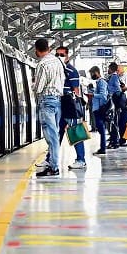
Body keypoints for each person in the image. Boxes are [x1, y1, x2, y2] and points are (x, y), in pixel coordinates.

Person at [32, 38, 64, 178]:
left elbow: (38, 87)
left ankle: (54, 167)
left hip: (47, 101)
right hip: (57, 100)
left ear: (37, 50)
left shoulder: (42, 64)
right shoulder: (58, 62)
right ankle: (52, 164)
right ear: (49, 48)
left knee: (51, 136)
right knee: (54, 134)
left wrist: (33, 88)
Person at [55, 47, 86, 170]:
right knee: (56, 133)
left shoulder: (71, 71)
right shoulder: (57, 69)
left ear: (67, 56)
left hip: (70, 104)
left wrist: (77, 107)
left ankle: (81, 159)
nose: (59, 56)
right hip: (61, 103)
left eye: (61, 54)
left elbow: (76, 90)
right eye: (57, 54)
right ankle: (49, 159)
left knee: (75, 131)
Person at [89, 66, 109, 155]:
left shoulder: (102, 82)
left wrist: (93, 95)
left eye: (92, 73)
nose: (91, 75)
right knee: (101, 129)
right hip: (97, 108)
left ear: (96, 72)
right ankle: (102, 147)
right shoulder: (99, 82)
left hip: (100, 109)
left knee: (101, 128)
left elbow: (103, 96)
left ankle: (103, 148)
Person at [106, 63, 122, 149]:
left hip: (114, 102)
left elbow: (117, 89)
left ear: (111, 69)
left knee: (114, 122)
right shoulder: (112, 77)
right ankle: (113, 140)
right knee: (112, 122)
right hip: (113, 101)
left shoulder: (114, 77)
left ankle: (115, 142)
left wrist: (112, 96)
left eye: (108, 68)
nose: (108, 70)